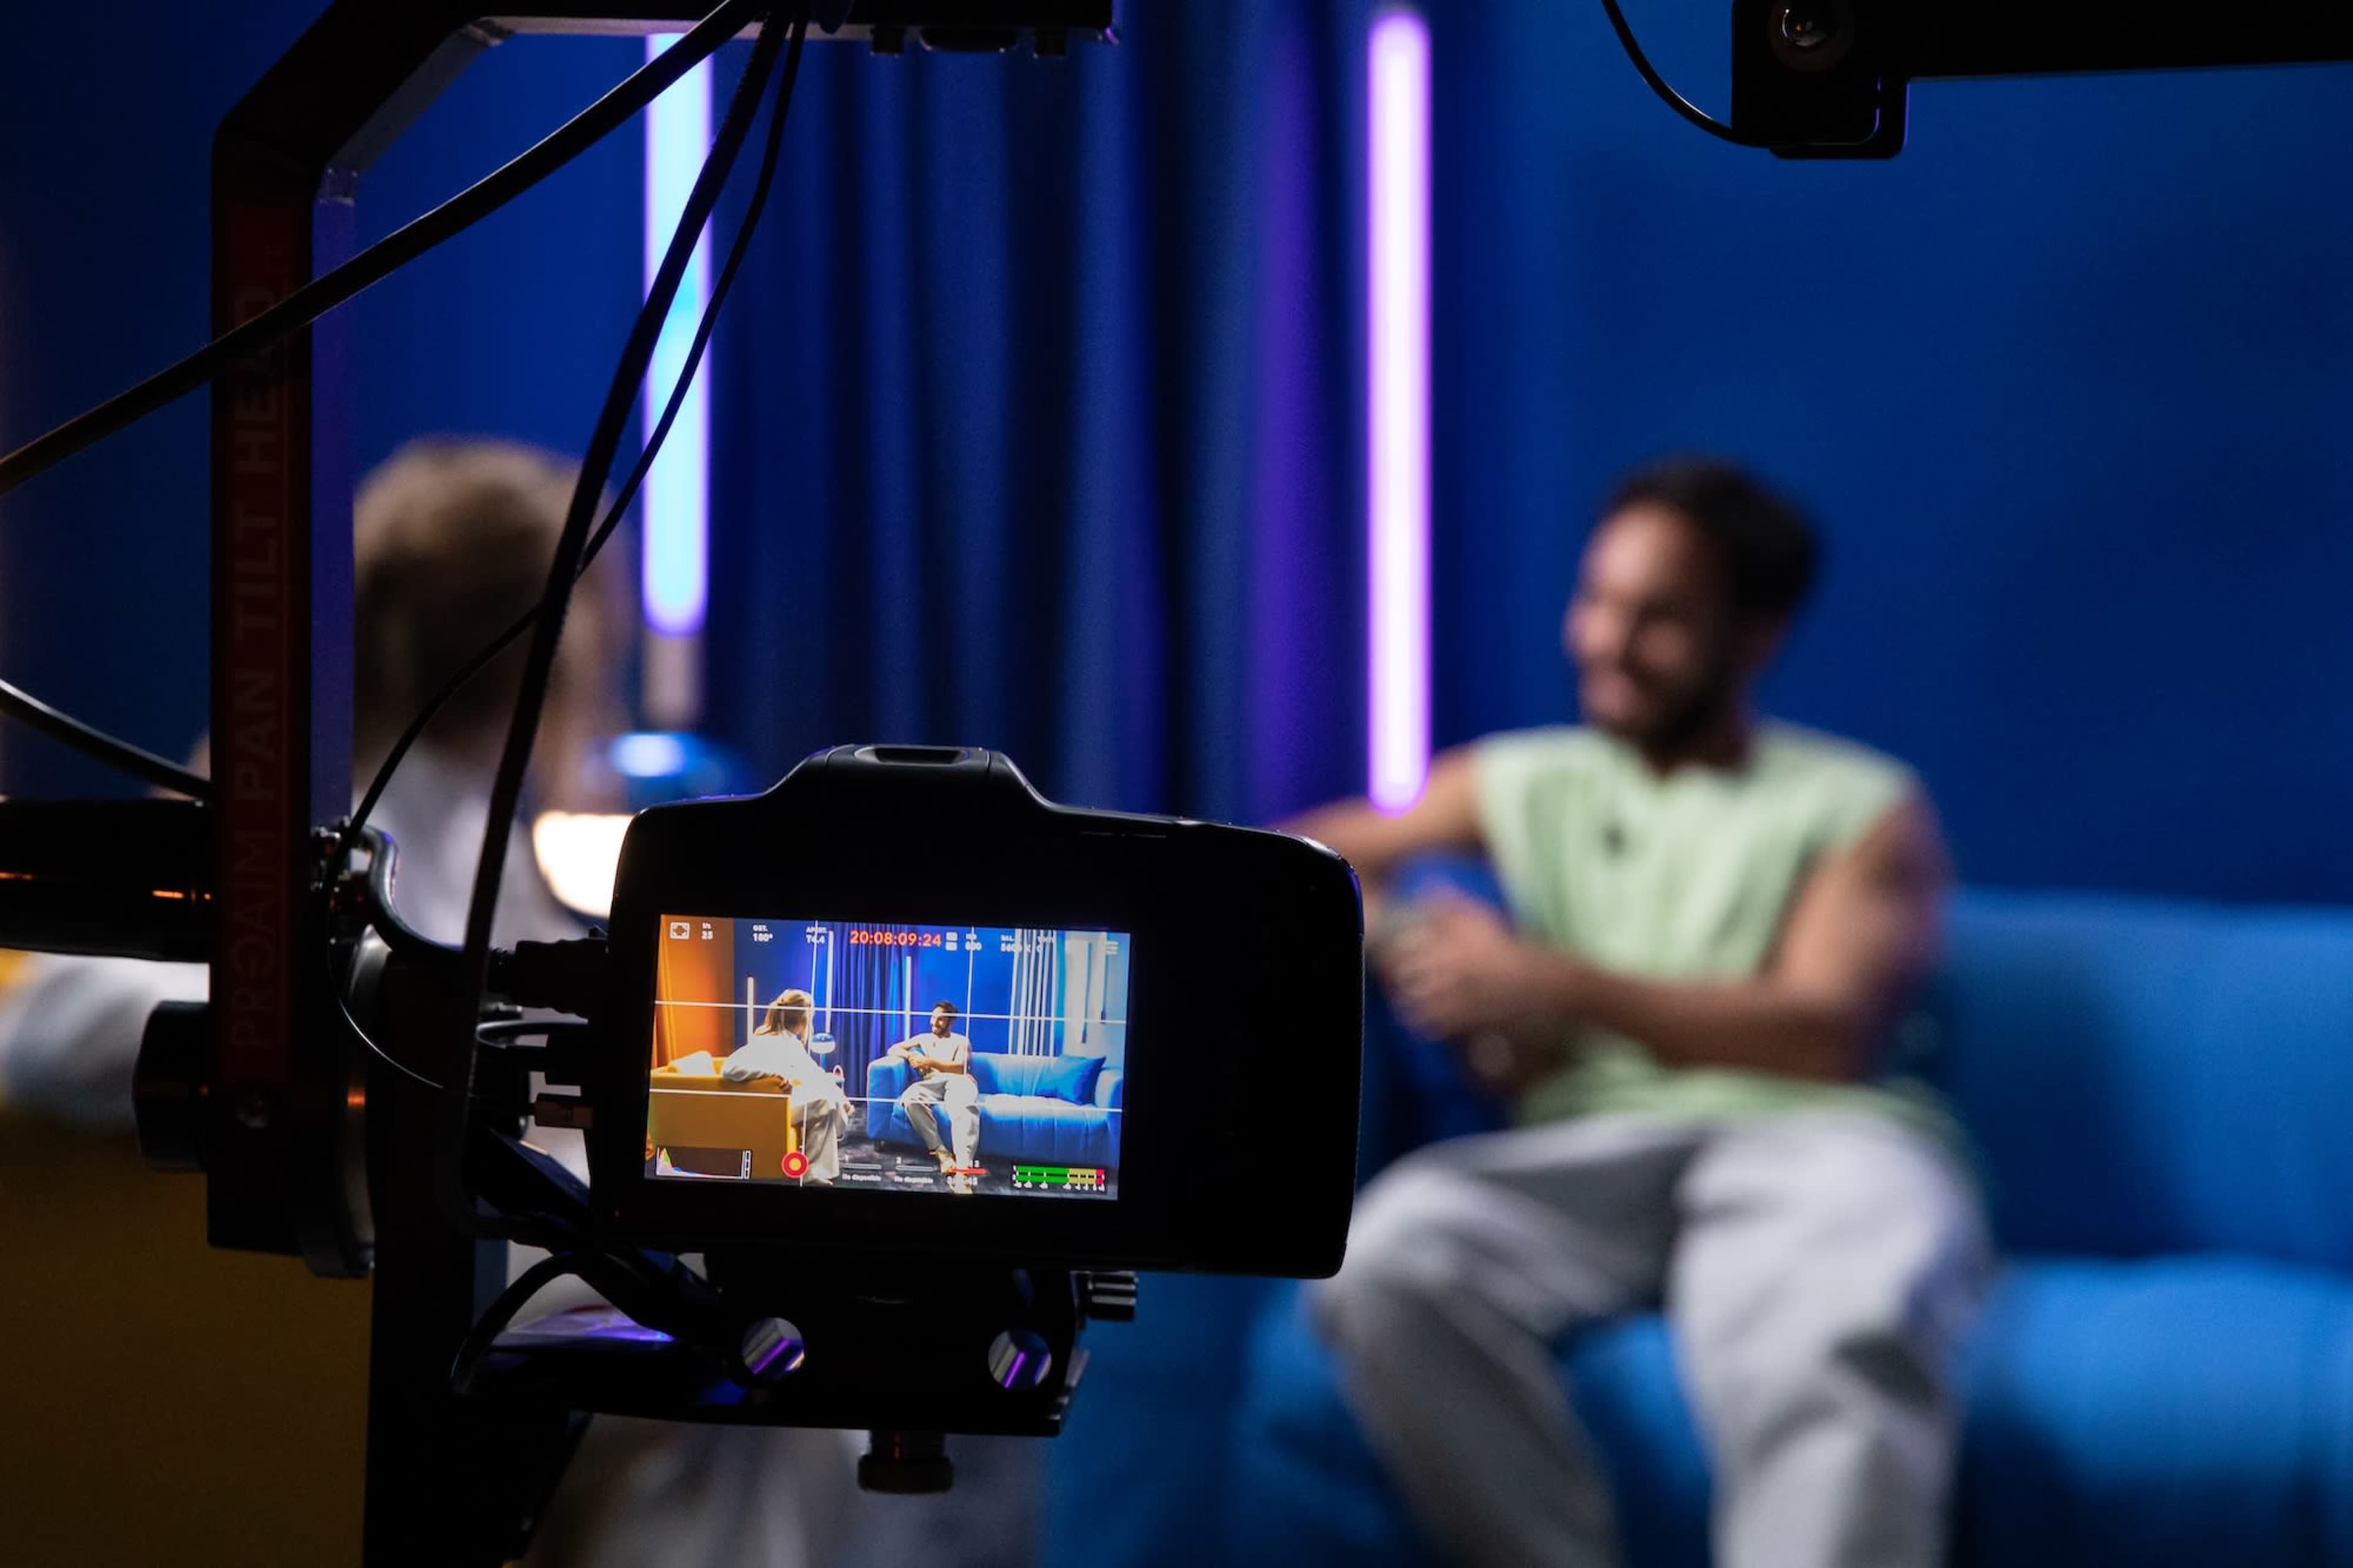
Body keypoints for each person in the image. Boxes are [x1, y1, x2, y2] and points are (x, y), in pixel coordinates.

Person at [1288, 457, 1990, 1568]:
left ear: (1757, 633)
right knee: (1389, 1259)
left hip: (1817, 1145)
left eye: (1658, 616)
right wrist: (1420, 943)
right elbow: (1297, 863)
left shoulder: (1861, 806)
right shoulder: (1530, 780)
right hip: (1585, 1156)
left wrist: (1549, 983)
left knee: (1828, 1336)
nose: (1606, 640)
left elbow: (1821, 1032)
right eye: (1598, 600)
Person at [723, 988, 849, 1183]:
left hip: (781, 1104)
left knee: (827, 1102)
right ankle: (810, 1172)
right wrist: (770, 1073)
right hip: (767, 1109)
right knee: (825, 1103)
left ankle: (817, 1172)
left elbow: (814, 1074)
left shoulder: (791, 1043)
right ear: (804, 1020)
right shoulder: (767, 1041)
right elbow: (729, 1069)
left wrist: (841, 1097)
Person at [888, 1001, 980, 1176]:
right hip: (932, 1082)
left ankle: (963, 1169)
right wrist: (911, 1056)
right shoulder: (924, 1038)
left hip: (958, 1080)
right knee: (910, 1098)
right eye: (933, 1017)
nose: (934, 1022)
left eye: (940, 1020)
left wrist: (929, 1062)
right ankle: (942, 1153)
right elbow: (893, 1048)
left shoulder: (961, 1040)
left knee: (963, 1107)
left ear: (950, 1022)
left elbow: (961, 1066)